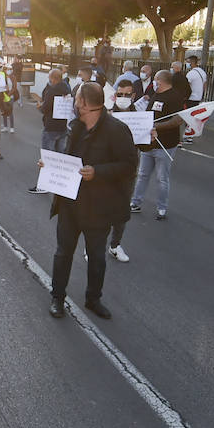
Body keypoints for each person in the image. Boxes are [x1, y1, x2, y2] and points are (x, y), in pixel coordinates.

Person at [45, 82, 139, 320]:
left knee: (96, 258)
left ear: (83, 103)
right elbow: (69, 160)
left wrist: (98, 172)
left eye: (77, 100)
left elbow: (129, 166)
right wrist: (51, 165)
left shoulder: (116, 130)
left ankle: (93, 299)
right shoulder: (75, 127)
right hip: (70, 204)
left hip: (99, 208)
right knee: (62, 253)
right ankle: (57, 297)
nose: (74, 104)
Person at [131, 68, 186, 220]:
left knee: (162, 178)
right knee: (142, 174)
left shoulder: (175, 97)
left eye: (155, 80)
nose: (153, 82)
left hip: (165, 145)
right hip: (148, 143)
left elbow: (177, 120)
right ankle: (136, 202)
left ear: (160, 81)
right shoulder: (156, 95)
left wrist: (156, 127)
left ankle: (162, 207)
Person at [106, 78, 140, 263]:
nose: (123, 97)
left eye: (127, 95)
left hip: (128, 172)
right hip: (108, 170)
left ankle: (115, 245)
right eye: (120, 94)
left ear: (133, 96)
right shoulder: (107, 113)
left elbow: (146, 147)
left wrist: (151, 136)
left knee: (121, 211)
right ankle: (93, 245)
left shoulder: (140, 116)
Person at [29, 68, 73, 193]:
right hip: (63, 127)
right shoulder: (67, 87)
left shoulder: (52, 90)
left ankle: (43, 186)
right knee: (60, 157)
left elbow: (45, 108)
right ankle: (59, 182)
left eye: (50, 78)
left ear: (53, 78)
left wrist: (39, 106)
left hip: (51, 127)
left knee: (47, 157)